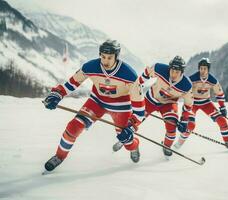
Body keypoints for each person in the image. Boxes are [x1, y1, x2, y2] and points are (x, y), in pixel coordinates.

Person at [43, 39, 145, 172]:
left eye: (109, 57)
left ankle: (134, 146)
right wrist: (57, 94)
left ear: (117, 56)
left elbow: (139, 109)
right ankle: (59, 156)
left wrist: (131, 126)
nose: (105, 61)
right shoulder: (90, 67)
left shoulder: (130, 75)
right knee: (73, 127)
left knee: (125, 139)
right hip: (97, 102)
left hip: (121, 106)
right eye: (103, 56)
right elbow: (72, 83)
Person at [114, 56, 194, 157]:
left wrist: (184, 120)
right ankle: (125, 138)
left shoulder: (187, 85)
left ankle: (166, 146)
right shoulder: (159, 68)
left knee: (172, 126)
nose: (173, 74)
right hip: (150, 99)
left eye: (177, 72)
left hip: (168, 104)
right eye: (172, 71)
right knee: (136, 119)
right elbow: (147, 72)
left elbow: (188, 104)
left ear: (182, 72)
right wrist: (139, 83)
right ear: (169, 68)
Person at [174, 58, 228, 150]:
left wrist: (222, 107)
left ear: (208, 69)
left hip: (206, 103)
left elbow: (219, 93)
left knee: (222, 121)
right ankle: (178, 145)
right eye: (201, 68)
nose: (202, 71)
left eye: (205, 69)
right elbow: (183, 90)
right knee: (190, 125)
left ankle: (227, 142)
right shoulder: (192, 78)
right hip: (192, 103)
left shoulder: (212, 80)